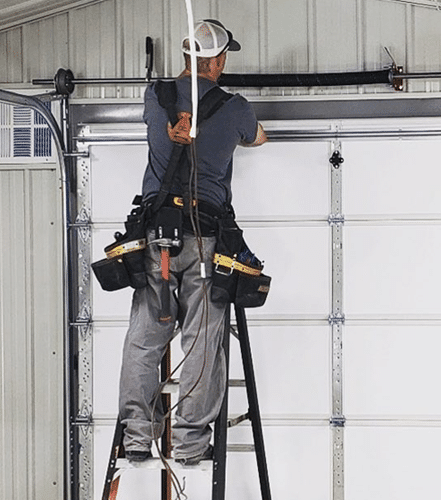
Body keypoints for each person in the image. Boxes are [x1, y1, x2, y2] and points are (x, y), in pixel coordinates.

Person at [118, 19, 267, 464]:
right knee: (202, 343)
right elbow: (259, 138)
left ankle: (136, 439)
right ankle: (189, 444)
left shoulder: (157, 96)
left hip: (155, 240)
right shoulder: (235, 107)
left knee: (144, 342)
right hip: (203, 240)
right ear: (218, 61)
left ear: (187, 58)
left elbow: (163, 126)